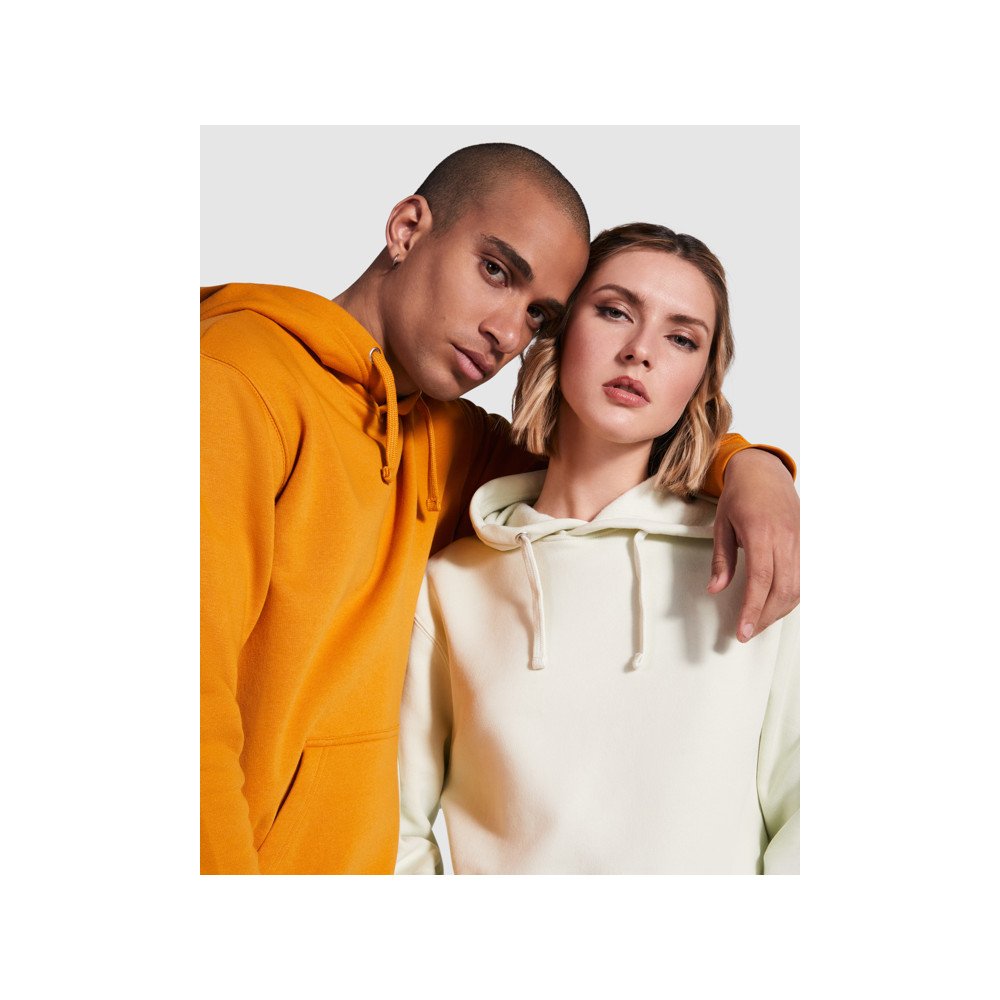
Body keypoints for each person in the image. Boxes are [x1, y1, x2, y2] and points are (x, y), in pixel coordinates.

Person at [201, 144, 799, 874]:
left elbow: (607, 459)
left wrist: (752, 467)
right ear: (407, 229)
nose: (507, 334)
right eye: (495, 270)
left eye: (537, 315)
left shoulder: (448, 442)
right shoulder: (233, 382)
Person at [395, 222, 798, 875]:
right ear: (559, 331)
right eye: (614, 312)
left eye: (681, 338)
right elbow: (397, 830)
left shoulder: (755, 560)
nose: (640, 351)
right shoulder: (449, 586)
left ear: (701, 381)